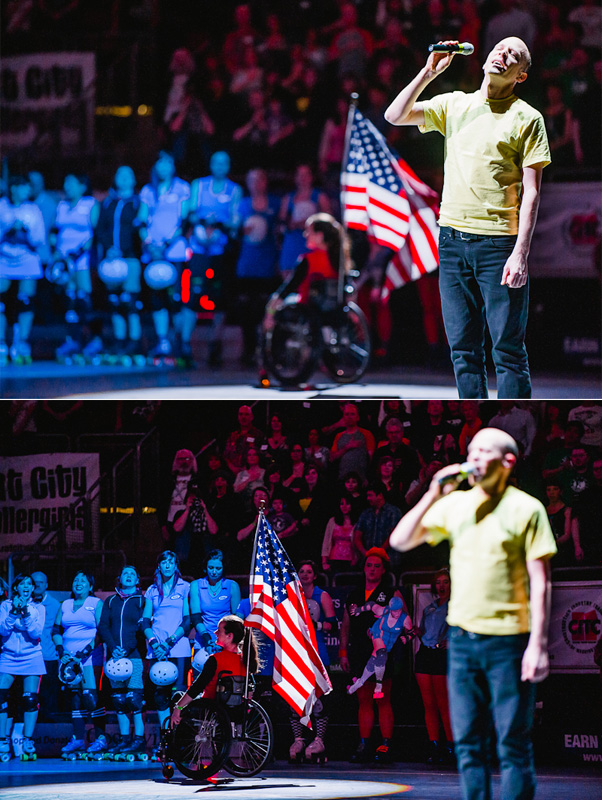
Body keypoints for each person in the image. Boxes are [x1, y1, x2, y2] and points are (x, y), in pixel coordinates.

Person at [389, 428, 557, 800]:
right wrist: (434, 492)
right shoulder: (457, 504)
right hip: (462, 642)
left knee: (513, 744)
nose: (474, 457)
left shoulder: (527, 508)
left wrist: (538, 646)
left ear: (507, 461)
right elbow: (399, 540)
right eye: (471, 451)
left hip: (510, 640)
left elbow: (541, 583)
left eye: (484, 451)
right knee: (468, 744)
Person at [385, 37, 551, 398]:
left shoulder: (528, 118)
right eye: (500, 48)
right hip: (452, 242)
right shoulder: (455, 105)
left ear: (521, 75)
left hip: (498, 246)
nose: (502, 55)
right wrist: (428, 73)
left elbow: (532, 191)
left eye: (514, 56)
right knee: (463, 351)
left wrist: (520, 253)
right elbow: (394, 115)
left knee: (507, 351)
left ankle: (510, 423)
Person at [339, 548, 404, 764]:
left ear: (383, 570)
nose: (372, 569)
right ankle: (364, 744)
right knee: (363, 700)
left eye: (377, 566)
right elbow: (346, 626)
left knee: (383, 699)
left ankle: (385, 745)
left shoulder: (392, 593)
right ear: (364, 568)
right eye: (369, 565)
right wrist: (343, 651)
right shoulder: (354, 595)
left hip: (382, 654)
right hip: (358, 654)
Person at [187, 151, 242, 366]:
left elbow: (236, 221)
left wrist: (219, 223)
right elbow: (190, 214)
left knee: (219, 298)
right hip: (199, 250)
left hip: (220, 251)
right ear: (210, 164)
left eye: (224, 163)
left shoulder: (234, 190)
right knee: (194, 295)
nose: (219, 166)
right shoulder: (198, 186)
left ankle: (215, 343)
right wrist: (203, 222)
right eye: (216, 162)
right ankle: (185, 345)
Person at [137, 151, 190, 358]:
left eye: (167, 163)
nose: (163, 168)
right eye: (160, 163)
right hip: (153, 253)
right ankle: (162, 341)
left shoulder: (182, 188)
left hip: (174, 251)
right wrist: (150, 244)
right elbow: (142, 220)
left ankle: (179, 341)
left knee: (175, 299)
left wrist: (167, 243)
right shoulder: (148, 191)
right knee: (156, 298)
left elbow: (184, 220)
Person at [52, 571, 106, 759]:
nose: (78, 582)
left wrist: (84, 652)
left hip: (89, 656)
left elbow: (101, 631)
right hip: (68, 657)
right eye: (75, 579)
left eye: (83, 580)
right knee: (74, 697)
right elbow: (56, 629)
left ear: (90, 586)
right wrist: (61, 651)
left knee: (89, 696)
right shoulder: (65, 604)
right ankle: (78, 738)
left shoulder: (95, 604)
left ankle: (100, 737)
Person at [170, 615, 259, 727]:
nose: (215, 633)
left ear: (229, 636)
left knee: (177, 696)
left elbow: (197, 686)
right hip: (236, 710)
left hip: (211, 707)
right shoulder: (246, 660)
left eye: (219, 631)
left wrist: (178, 707)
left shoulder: (216, 659)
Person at [141, 551, 191, 748]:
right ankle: (166, 740)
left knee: (178, 695)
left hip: (178, 648)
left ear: (176, 565)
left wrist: (169, 643)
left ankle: (180, 739)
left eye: (171, 562)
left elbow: (187, 621)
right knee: (160, 696)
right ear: (159, 566)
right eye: (164, 562)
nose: (167, 565)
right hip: (157, 650)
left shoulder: (185, 587)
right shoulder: (152, 590)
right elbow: (145, 621)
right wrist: (154, 643)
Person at [288, 560, 336, 763]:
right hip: (296, 653)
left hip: (316, 653)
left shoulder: (321, 595)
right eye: (302, 571)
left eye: (309, 571)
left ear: (315, 575)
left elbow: (332, 625)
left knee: (318, 699)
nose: (305, 574)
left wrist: (314, 624)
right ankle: (298, 739)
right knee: (296, 699)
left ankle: (319, 740)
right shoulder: (291, 594)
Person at [98, 566, 147, 760]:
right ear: (120, 578)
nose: (128, 576)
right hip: (114, 658)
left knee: (134, 699)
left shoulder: (141, 601)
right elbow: (103, 626)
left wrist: (126, 648)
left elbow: (141, 627)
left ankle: (139, 740)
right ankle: (124, 739)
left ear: (137, 580)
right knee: (119, 700)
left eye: (132, 574)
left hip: (133, 655)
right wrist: (113, 648)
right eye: (125, 573)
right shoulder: (110, 601)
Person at [94, 165, 143, 359]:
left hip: (130, 257)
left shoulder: (138, 203)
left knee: (129, 301)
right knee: (114, 302)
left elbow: (138, 230)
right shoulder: (108, 203)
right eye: (119, 175)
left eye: (127, 175)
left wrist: (124, 250)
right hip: (111, 259)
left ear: (133, 180)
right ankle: (119, 340)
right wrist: (109, 249)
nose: (123, 179)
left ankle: (134, 341)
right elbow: (101, 228)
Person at [51, 174, 100, 360]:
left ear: (82, 186)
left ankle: (93, 339)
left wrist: (78, 252)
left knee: (84, 299)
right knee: (69, 300)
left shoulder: (89, 204)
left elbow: (95, 233)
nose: (67, 187)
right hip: (64, 260)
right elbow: (56, 231)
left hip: (83, 259)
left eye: (71, 183)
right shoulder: (62, 206)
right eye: (66, 183)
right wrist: (57, 253)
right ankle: (73, 339)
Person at [0, 176, 46, 364]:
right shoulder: (2, 206)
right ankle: (2, 342)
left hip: (27, 258)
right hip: (4, 258)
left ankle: (22, 342)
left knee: (25, 301)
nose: (27, 191)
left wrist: (25, 230)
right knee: (2, 302)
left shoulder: (33, 209)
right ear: (14, 189)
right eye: (23, 187)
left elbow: (39, 238)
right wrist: (9, 228)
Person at [0, 574, 45, 761]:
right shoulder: (4, 605)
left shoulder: (38, 608)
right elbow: (3, 630)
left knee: (30, 699)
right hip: (8, 656)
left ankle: (28, 741)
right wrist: (13, 613)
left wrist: (25, 612)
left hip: (31, 657)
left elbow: (35, 633)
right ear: (16, 587)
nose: (26, 586)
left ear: (33, 589)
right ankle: (2, 740)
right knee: (1, 696)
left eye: (30, 584)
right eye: (22, 583)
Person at [414, 568, 454, 764]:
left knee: (443, 703)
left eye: (445, 582)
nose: (441, 586)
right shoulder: (428, 608)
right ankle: (434, 746)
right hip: (425, 654)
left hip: (442, 656)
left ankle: (451, 746)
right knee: (428, 704)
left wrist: (451, 642)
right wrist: (415, 632)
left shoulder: (457, 607)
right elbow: (423, 631)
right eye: (438, 582)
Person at [347, 596, 414, 698]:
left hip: (388, 643)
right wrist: (358, 610)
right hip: (377, 633)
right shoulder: (384, 611)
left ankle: (360, 682)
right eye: (394, 611)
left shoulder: (405, 619)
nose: (397, 614)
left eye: (399, 611)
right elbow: (371, 605)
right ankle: (378, 686)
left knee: (373, 662)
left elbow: (412, 632)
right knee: (381, 655)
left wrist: (407, 637)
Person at [189, 549, 241, 675]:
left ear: (223, 568)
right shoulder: (196, 585)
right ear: (205, 568)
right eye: (210, 567)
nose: (214, 571)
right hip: (203, 638)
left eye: (218, 568)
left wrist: (225, 640)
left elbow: (237, 617)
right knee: (200, 680)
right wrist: (207, 639)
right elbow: (196, 617)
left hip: (226, 639)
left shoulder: (232, 586)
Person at [31, 571, 60, 721]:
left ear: (46, 585)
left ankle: (48, 730)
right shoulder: (24, 601)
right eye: (34, 581)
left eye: (41, 582)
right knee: (30, 694)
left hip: (48, 655)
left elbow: (57, 630)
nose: (37, 584)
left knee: (48, 695)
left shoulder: (55, 604)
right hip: (28, 656)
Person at [171, 481, 219, 574]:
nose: (195, 500)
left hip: (205, 554)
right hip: (186, 555)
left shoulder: (210, 513)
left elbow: (214, 530)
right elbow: (177, 528)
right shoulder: (180, 514)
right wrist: (188, 509)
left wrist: (204, 509)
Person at [322, 493, 360, 575]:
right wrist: (324, 561)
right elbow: (326, 541)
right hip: (334, 559)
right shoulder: (332, 521)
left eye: (347, 503)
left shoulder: (357, 523)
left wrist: (357, 558)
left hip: (351, 561)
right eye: (342, 504)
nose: (344, 506)